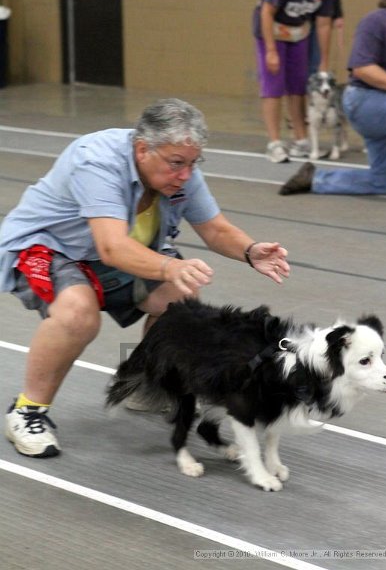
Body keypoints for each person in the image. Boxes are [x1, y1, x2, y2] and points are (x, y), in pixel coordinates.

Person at [0, 98, 290, 458]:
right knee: (77, 313)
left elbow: (214, 229)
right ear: (142, 149)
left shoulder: (179, 170)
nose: (185, 174)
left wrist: (250, 250)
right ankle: (28, 411)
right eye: (176, 164)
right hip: (54, 248)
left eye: (192, 163)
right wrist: (170, 266)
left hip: (111, 251)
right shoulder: (97, 161)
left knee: (179, 299)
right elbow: (111, 248)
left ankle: (148, 385)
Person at [280, 0, 386, 195]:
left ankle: (316, 179)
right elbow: (362, 68)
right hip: (364, 101)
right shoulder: (376, 22)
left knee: (384, 181)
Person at [253, 0, 336, 163]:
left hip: (298, 32)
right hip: (272, 30)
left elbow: (324, 24)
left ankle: (301, 140)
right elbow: (267, 10)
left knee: (298, 85)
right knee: (273, 84)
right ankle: (274, 143)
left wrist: (324, 60)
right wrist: (271, 50)